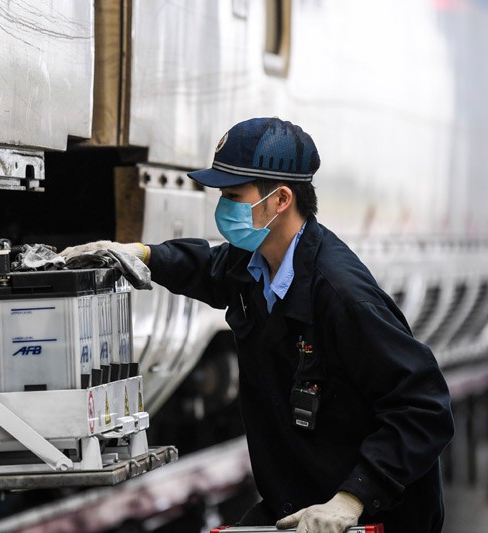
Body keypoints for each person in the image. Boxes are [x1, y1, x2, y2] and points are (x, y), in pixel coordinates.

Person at [61, 117, 454, 532]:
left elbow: (423, 406)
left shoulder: (341, 295)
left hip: (366, 516)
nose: (223, 208)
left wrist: (351, 499)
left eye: (233, 195)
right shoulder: (254, 265)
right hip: (298, 504)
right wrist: (139, 253)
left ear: (281, 199)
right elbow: (206, 266)